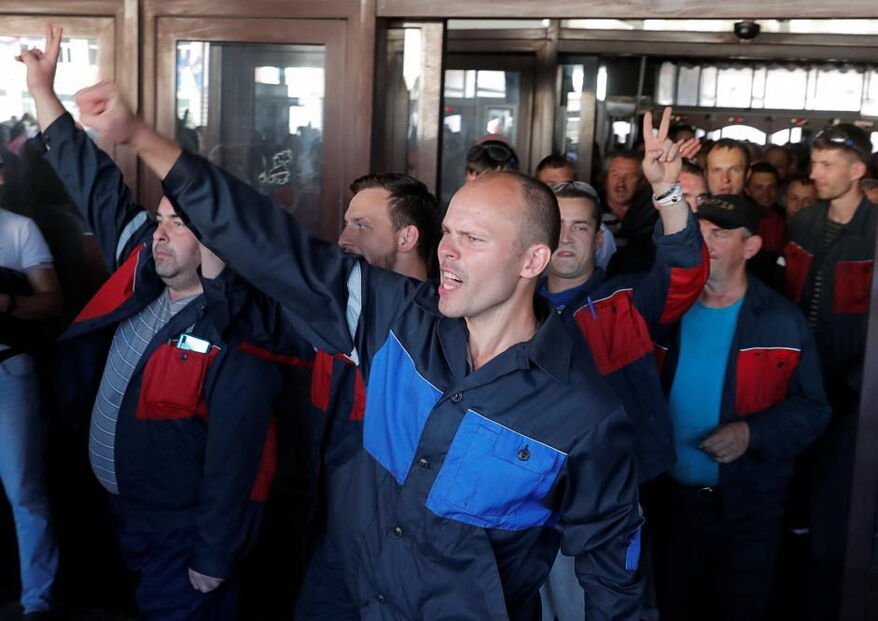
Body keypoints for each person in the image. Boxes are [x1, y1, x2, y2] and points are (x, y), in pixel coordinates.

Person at [74, 79, 645, 620]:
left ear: (532, 261)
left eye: (472, 239)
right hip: (343, 591)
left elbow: (614, 574)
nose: (446, 252)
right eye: (447, 232)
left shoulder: (584, 415)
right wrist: (144, 139)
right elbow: (277, 245)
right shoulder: (396, 319)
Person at [20, 27, 282, 620]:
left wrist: (213, 554)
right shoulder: (142, 261)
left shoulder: (239, 329)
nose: (160, 232)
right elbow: (93, 182)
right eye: (159, 217)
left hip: (183, 535)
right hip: (116, 515)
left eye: (179, 224)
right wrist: (43, 91)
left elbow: (237, 460)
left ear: (217, 237)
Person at [537, 108, 708, 621]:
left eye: (580, 228)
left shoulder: (624, 302)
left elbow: (685, 271)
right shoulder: (510, 309)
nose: (566, 238)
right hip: (529, 488)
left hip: (612, 491)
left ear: (598, 239)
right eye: (556, 227)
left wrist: (668, 192)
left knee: (613, 604)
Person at [653, 194, 830, 621]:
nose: (705, 242)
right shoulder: (664, 311)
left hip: (749, 508)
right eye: (700, 232)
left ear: (751, 248)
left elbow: (813, 408)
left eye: (720, 234)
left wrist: (751, 433)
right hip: (670, 505)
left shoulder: (781, 321)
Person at [294, 172, 440, 620]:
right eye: (345, 223)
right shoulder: (336, 310)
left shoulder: (438, 331)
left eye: (361, 225)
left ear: (407, 236)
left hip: (399, 539)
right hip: (331, 525)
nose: (343, 238)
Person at [783, 123, 877, 620]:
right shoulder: (804, 224)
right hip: (799, 373)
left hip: (849, 384)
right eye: (814, 163)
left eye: (826, 166)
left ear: (857, 170)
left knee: (836, 492)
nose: (814, 174)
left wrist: (861, 386)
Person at [0, 200, 62, 620]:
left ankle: (36, 603)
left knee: (25, 490)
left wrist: (7, 305)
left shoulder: (19, 228)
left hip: (7, 367)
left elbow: (53, 301)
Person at [534, 154, 617, 271]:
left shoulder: (598, 232)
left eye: (566, 185)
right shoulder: (526, 226)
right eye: (552, 186)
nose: (560, 190)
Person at [601, 150, 658, 274]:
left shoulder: (652, 213)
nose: (621, 183)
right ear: (605, 178)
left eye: (630, 177)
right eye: (615, 175)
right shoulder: (593, 212)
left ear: (642, 183)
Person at [746, 162, 786, 254]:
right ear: (746, 189)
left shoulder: (784, 217)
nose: (766, 194)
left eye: (772, 187)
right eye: (759, 187)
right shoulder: (738, 219)